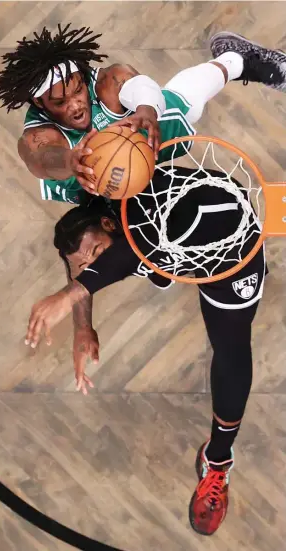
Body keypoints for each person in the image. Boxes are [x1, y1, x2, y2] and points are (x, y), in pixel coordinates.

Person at [24, 165, 266, 536]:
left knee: (232, 351)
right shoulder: (98, 221)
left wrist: (70, 295)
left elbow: (126, 258)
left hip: (228, 246)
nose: (93, 266)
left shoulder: (137, 208)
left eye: (95, 254)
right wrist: (82, 325)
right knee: (129, 259)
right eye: (87, 265)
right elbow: (82, 266)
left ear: (108, 225)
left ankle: (217, 459)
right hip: (175, 245)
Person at [0, 26, 286, 204]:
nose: (76, 105)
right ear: (39, 103)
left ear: (83, 78)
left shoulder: (107, 82)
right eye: (60, 102)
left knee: (186, 103)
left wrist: (146, 109)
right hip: (91, 186)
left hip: (143, 137)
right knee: (97, 237)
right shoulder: (39, 133)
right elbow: (39, 161)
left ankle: (236, 59)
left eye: (78, 91)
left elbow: (139, 84)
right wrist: (70, 160)